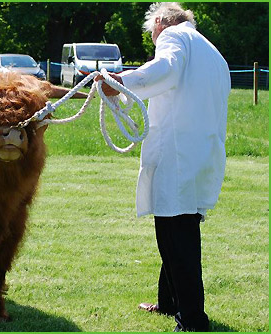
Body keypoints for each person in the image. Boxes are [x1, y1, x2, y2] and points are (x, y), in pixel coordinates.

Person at [96, 2, 231, 332]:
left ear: (159, 22)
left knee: (176, 233)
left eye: (152, 33)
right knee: (176, 228)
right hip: (202, 153)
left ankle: (193, 320)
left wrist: (120, 81)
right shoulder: (212, 52)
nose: (154, 39)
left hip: (178, 153)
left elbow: (165, 69)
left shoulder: (174, 36)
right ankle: (170, 303)